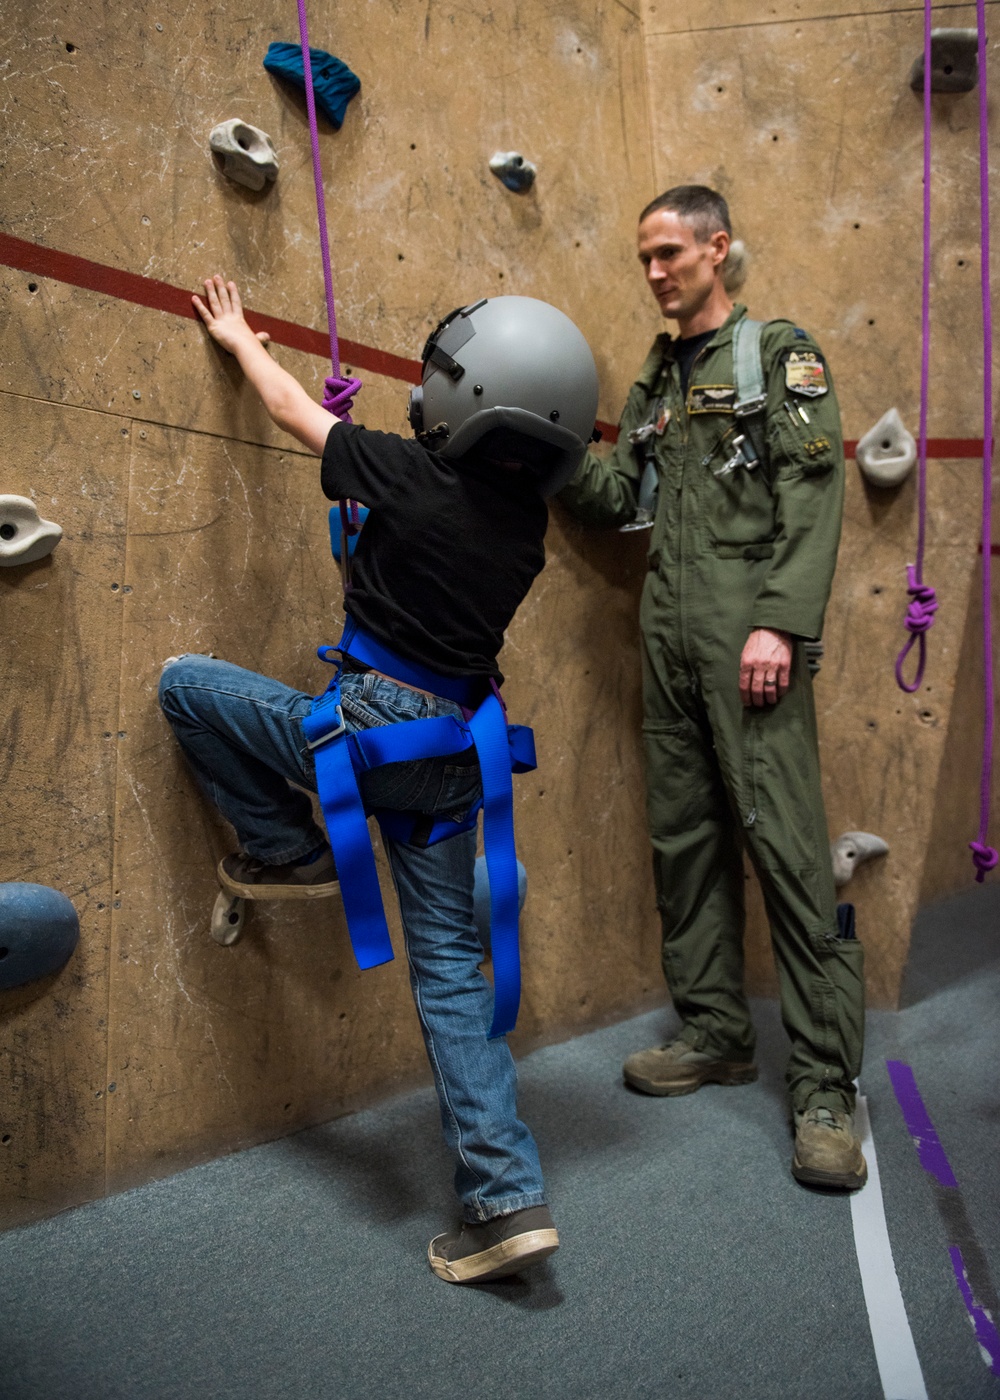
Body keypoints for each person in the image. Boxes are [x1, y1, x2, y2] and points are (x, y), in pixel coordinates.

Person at [159, 275, 599, 1277]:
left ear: (468, 398)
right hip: (450, 757)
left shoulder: (403, 471)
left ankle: (281, 847)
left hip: (368, 732)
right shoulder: (525, 528)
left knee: (186, 686)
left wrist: (237, 338)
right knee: (449, 972)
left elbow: (285, 406)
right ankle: (505, 1199)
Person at [559, 186, 867, 1190]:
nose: (652, 273)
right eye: (641, 258)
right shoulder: (655, 379)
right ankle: (715, 1028)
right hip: (667, 634)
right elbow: (614, 500)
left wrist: (777, 616)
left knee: (781, 842)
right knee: (683, 837)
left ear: (716, 248)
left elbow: (810, 491)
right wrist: (538, 445)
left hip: (748, 633)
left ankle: (824, 1082)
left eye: (667, 253)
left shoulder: (776, 354)